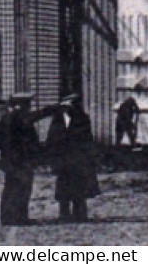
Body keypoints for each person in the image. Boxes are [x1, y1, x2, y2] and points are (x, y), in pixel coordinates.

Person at [44, 94, 99, 222]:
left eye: (74, 104)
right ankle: (64, 214)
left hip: (78, 160)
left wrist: (90, 158)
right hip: (62, 160)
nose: (71, 107)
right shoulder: (57, 119)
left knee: (79, 188)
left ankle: (80, 214)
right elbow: (51, 139)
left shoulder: (82, 119)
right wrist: (51, 158)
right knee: (63, 188)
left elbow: (87, 140)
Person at [0, 94, 39, 225]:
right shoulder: (17, 119)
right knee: (20, 188)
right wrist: (11, 149)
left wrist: (6, 150)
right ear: (21, 106)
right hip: (19, 161)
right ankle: (17, 218)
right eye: (28, 104)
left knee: (12, 188)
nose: (29, 107)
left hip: (13, 160)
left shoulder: (10, 118)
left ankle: (10, 217)